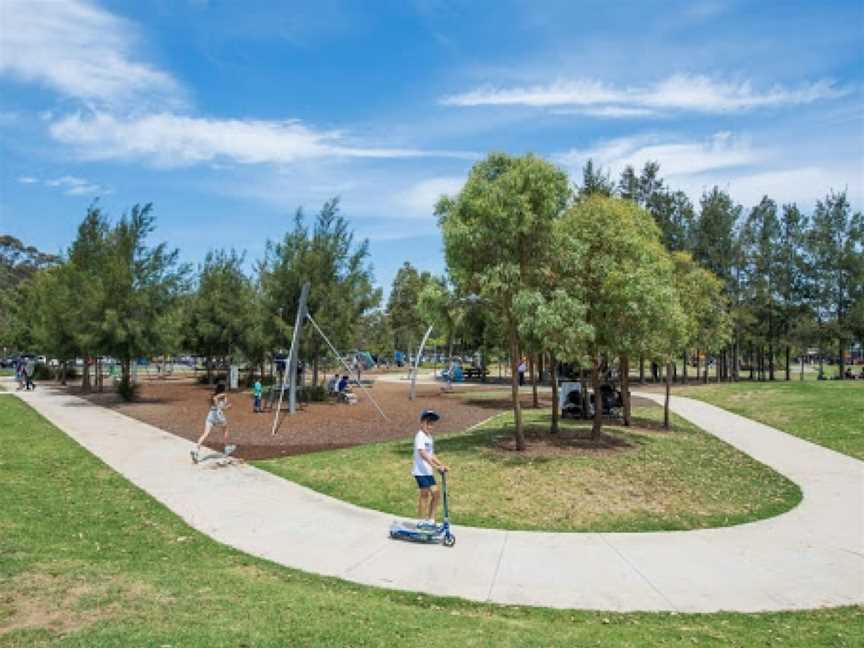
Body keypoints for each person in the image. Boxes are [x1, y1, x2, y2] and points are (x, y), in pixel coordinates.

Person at [412, 410, 448, 529]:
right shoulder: (420, 436)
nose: (430, 426)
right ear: (422, 423)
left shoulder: (429, 437)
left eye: (432, 424)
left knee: (436, 494)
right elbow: (423, 453)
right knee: (425, 494)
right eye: (428, 423)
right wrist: (435, 466)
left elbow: (431, 454)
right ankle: (421, 521)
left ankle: (431, 520)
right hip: (420, 471)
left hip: (427, 471)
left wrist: (441, 464)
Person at [191, 383, 234, 463]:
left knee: (205, 433)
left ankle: (196, 449)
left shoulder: (214, 395)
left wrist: (227, 407)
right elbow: (219, 404)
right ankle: (226, 447)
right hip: (218, 415)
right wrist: (224, 402)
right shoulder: (223, 396)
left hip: (211, 415)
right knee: (225, 429)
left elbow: (221, 406)